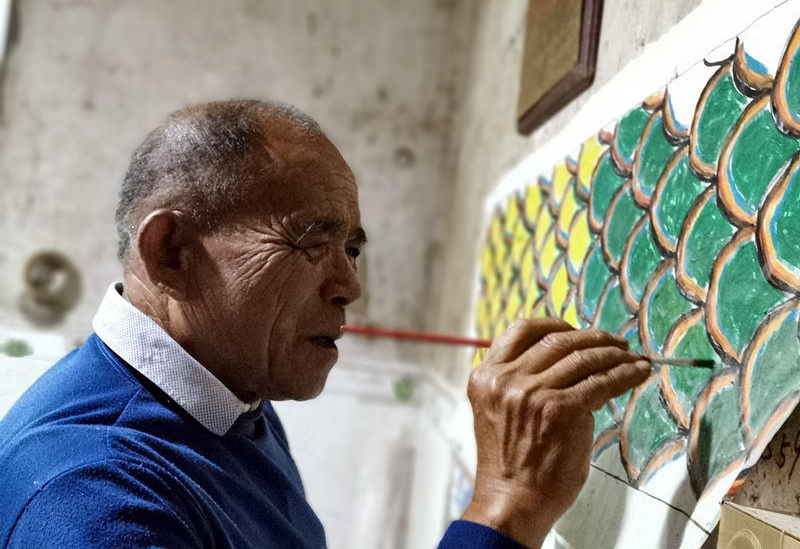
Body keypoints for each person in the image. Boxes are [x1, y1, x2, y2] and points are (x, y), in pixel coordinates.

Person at [0, 100, 650, 549]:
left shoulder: (228, 395)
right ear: (171, 253)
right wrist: (504, 509)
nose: (350, 286)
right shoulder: (93, 498)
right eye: (311, 241)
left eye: (352, 249)